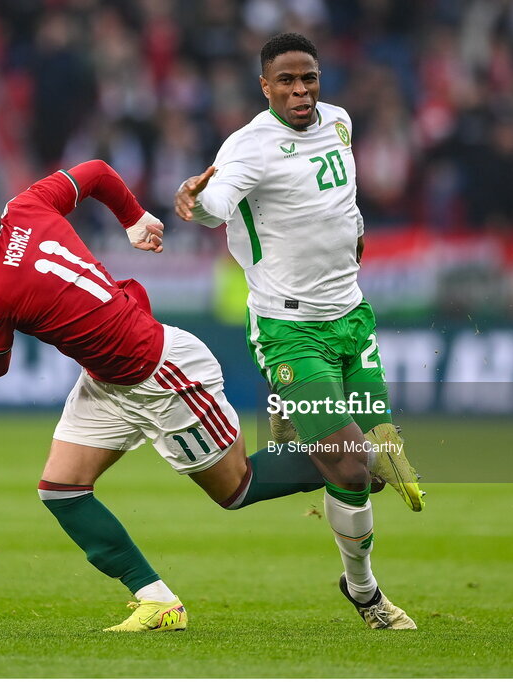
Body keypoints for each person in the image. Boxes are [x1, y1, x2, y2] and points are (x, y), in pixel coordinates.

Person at [0, 158, 408, 632]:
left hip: (163, 378)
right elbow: (97, 173)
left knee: (237, 489)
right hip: (108, 377)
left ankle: (351, 455)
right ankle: (157, 600)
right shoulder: (28, 205)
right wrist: (135, 218)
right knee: (61, 488)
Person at [175, 32, 422, 629]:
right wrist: (197, 203)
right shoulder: (249, 147)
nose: (300, 90)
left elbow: (343, 200)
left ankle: (297, 430)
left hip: (352, 318)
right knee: (355, 466)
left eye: (308, 77)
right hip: (290, 329)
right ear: (265, 86)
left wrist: (354, 234)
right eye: (285, 80)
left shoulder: (339, 122)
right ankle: (364, 593)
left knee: (367, 461)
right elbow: (221, 201)